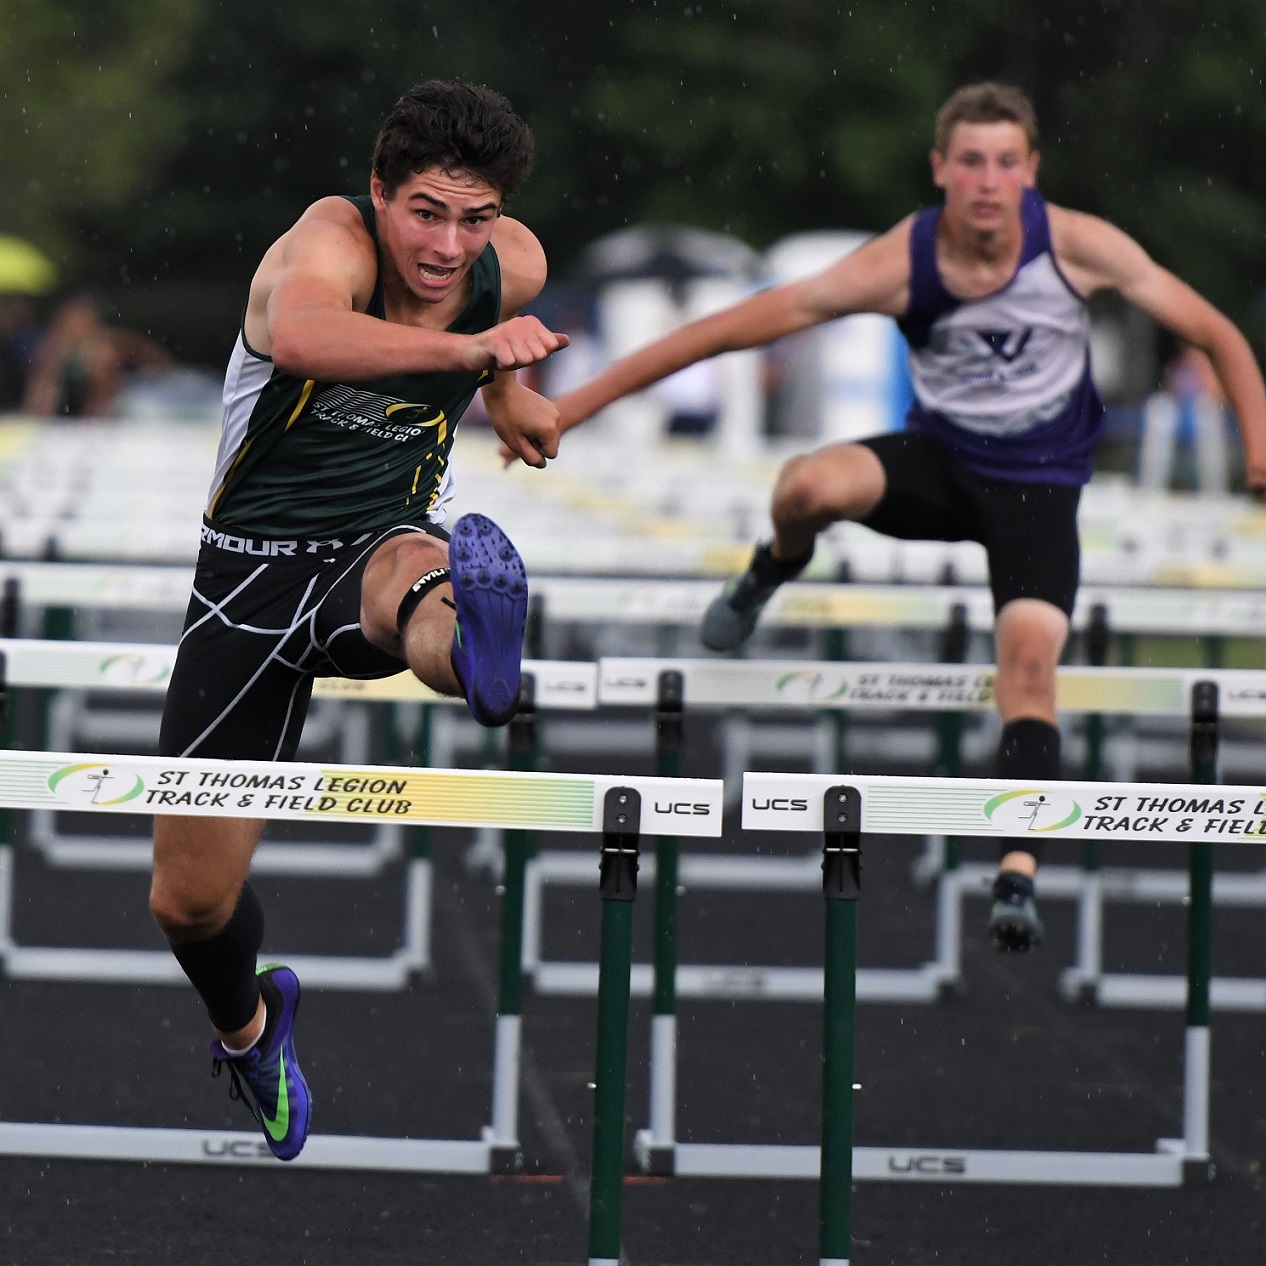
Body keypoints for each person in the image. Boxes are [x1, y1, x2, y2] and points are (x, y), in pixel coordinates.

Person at [553, 82, 1266, 952]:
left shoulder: (1080, 246)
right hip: (940, 465)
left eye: (1006, 162)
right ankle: (775, 564)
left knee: (1029, 671)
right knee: (807, 486)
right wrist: (575, 405)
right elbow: (730, 329)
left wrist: (1259, 454)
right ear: (940, 170)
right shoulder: (902, 260)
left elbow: (1220, 334)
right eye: (971, 162)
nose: (988, 182)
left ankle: (1017, 874)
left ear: (1031, 172)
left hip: (1039, 491)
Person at [148, 79, 566, 1161]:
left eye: (474, 219)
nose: (447, 246)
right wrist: (477, 361)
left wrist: (510, 396)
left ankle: (469, 642)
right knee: (188, 903)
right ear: (380, 191)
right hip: (246, 579)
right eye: (425, 212)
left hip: (376, 543)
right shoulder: (327, 244)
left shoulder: (511, 264)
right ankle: (250, 1033)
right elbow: (301, 336)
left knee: (414, 578)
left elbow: (504, 339)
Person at [22, 293, 173, 417]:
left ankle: (99, 415)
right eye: (72, 321)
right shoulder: (54, 344)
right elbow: (41, 381)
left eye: (81, 320)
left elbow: (151, 356)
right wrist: (36, 412)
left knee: (105, 360)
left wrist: (158, 374)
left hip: (113, 398)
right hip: (68, 400)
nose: (76, 326)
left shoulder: (108, 342)